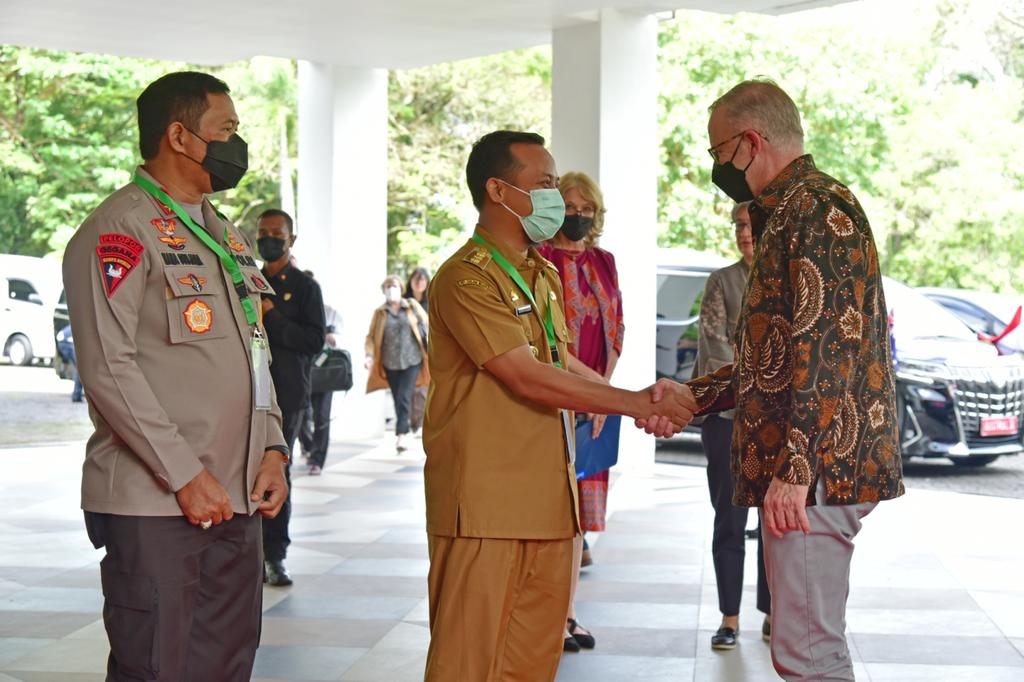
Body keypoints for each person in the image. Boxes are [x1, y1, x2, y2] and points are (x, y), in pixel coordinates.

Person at [642, 79, 904, 681]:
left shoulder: (815, 208)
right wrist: (695, 395)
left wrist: (796, 467)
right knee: (801, 645)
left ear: (750, 142)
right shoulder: (788, 213)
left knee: (809, 655)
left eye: (716, 152)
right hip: (810, 468)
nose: (715, 166)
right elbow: (777, 357)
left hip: (818, 472)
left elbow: (827, 349)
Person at [422, 129, 693, 682]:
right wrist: (633, 404)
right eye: (543, 184)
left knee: (531, 661)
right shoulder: (466, 278)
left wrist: (636, 395)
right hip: (485, 505)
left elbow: (558, 356)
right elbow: (524, 375)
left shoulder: (539, 273)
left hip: (548, 500)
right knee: (468, 662)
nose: (553, 197)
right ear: (498, 191)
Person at [61, 71, 290, 681]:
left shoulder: (225, 235)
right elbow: (109, 368)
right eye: (227, 130)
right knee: (158, 666)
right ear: (181, 137)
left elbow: (256, 349)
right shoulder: (119, 230)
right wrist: (186, 475)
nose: (237, 143)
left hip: (237, 496)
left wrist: (272, 447)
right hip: (159, 502)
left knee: (226, 663)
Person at [537, 171, 623, 654]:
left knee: (576, 524)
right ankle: (550, 616)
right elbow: (549, 341)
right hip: (553, 400)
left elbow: (618, 325)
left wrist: (601, 392)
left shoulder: (604, 262)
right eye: (570, 206)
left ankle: (568, 615)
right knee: (551, 516)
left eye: (587, 208)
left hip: (595, 405)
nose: (579, 215)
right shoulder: (539, 260)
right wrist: (593, 389)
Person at [697, 201, 771, 651]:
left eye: (752, 224)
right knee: (729, 520)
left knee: (775, 522)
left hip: (777, 429)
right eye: (738, 225)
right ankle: (730, 616)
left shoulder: (786, 279)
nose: (744, 232)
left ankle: (772, 610)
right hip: (726, 421)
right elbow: (716, 351)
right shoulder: (720, 282)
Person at [257, 208, 326, 587]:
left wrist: (273, 316)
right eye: (262, 232)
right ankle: (248, 553)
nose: (268, 238)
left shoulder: (303, 288)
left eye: (276, 233)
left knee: (277, 471)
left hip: (288, 393)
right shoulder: (246, 281)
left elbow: (313, 341)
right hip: (249, 393)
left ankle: (274, 556)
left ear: (290, 239)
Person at [364, 275, 429, 452]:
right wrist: (369, 356)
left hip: (412, 359)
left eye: (394, 286)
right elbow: (371, 336)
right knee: (397, 396)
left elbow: (427, 324)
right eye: (388, 286)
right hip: (390, 362)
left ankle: (401, 436)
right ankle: (403, 430)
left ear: (401, 288)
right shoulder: (380, 312)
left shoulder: (411, 306)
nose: (391, 289)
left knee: (405, 396)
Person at [301, 298, 342, 476]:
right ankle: (310, 446)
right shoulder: (295, 310)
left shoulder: (330, 312)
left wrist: (331, 337)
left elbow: (339, 340)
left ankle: (317, 459)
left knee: (322, 416)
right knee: (301, 415)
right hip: (301, 368)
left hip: (324, 371)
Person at [405, 266, 431, 433]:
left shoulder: (432, 301)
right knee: (408, 389)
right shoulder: (403, 300)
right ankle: (409, 424)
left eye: (422, 279)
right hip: (407, 351)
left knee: (423, 389)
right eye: (416, 279)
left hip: (427, 351)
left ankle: (419, 425)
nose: (419, 282)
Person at [55, 323, 84, 402]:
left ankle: (77, 394)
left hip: (65, 341)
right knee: (80, 368)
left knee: (80, 368)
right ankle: (76, 395)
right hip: (68, 342)